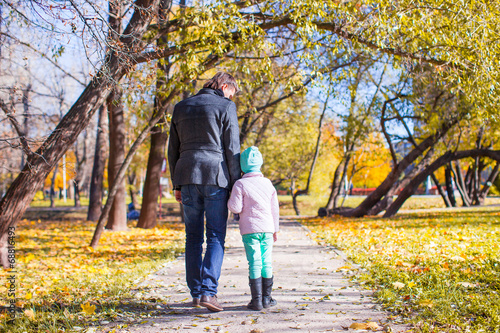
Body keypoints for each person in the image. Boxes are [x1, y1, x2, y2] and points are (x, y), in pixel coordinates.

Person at [167, 72, 241, 312]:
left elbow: (173, 149)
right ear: (224, 85)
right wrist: (236, 184)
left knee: (193, 237)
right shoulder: (225, 106)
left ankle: (197, 293)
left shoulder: (181, 107)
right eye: (232, 92)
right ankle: (209, 293)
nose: (232, 97)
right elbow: (232, 148)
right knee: (216, 236)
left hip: (187, 176)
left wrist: (176, 183)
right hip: (215, 177)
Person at [227, 146, 279, 311]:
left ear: (242, 166)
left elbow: (235, 208)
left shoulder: (240, 184)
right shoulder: (268, 183)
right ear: (260, 163)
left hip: (250, 230)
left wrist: (229, 199)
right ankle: (267, 298)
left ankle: (256, 301)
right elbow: (274, 209)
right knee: (267, 262)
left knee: (254, 262)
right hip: (268, 229)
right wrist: (275, 229)